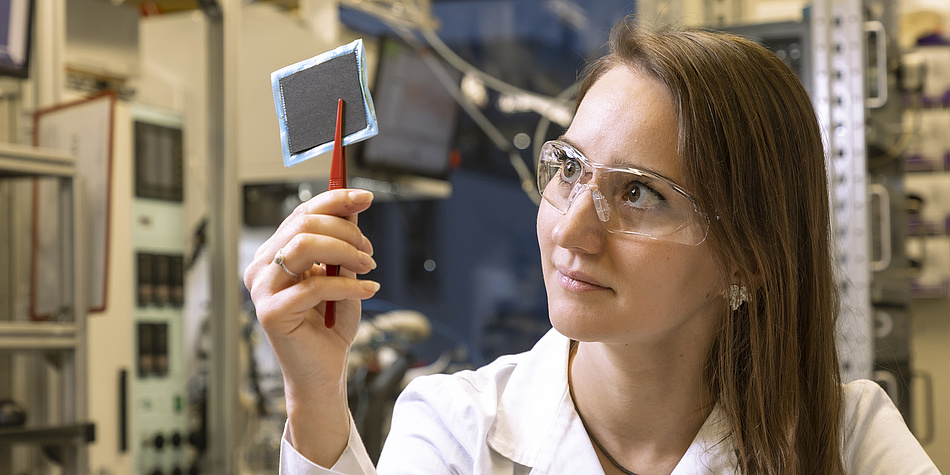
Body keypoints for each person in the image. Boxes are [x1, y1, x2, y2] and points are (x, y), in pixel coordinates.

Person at [243, 18, 940, 475]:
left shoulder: (847, 439)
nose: (571, 229)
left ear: (749, 257)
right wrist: (315, 393)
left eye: (639, 193)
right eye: (569, 169)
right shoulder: (459, 432)